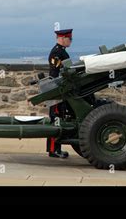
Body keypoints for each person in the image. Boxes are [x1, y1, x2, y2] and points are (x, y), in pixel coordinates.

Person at [46, 28, 73, 158]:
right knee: (56, 118)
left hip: (60, 89)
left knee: (60, 117)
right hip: (56, 89)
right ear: (62, 38)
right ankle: (53, 149)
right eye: (69, 39)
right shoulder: (57, 52)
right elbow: (57, 72)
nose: (71, 41)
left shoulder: (62, 52)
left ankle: (56, 148)